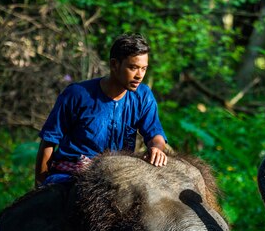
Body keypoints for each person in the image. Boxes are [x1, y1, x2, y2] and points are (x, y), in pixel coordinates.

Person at [35, 33, 168, 187]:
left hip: (118, 175)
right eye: (133, 68)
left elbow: (155, 135)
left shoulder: (143, 96)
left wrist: (156, 149)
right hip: (71, 174)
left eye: (144, 69)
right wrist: (40, 185)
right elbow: (49, 141)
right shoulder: (77, 94)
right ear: (114, 65)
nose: (139, 75)